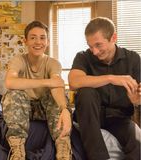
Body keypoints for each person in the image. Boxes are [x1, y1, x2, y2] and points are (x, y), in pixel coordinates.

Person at [68, 17, 141, 160]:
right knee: (85, 91)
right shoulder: (83, 57)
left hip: (119, 118)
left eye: (98, 45)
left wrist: (137, 101)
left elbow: (138, 97)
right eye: (90, 46)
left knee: (138, 144)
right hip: (90, 116)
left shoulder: (133, 58)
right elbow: (74, 82)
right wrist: (111, 78)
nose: (94, 51)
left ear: (113, 38)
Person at [1, 20, 72, 160]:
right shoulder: (18, 60)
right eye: (33, 38)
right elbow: (10, 82)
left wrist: (64, 109)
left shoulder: (53, 63)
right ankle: (17, 151)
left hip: (44, 108)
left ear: (48, 41)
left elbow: (57, 85)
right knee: (13, 94)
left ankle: (63, 149)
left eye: (42, 37)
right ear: (25, 41)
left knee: (57, 97)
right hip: (24, 108)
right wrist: (46, 82)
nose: (38, 42)